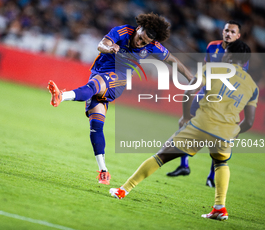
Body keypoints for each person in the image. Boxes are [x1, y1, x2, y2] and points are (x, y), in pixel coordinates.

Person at [110, 40, 258, 221]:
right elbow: (249, 121)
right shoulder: (252, 86)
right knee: (221, 163)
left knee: (161, 156)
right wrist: (236, 132)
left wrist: (186, 116)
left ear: (228, 55)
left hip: (201, 125)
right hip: (226, 132)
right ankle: (219, 207)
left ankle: (123, 189)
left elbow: (189, 91)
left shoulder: (213, 69)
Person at [48, 12, 193, 185]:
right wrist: (110, 48)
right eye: (140, 38)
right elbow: (102, 45)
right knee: (96, 127)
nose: (140, 43)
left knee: (93, 87)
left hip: (118, 80)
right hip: (99, 72)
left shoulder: (153, 47)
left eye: (145, 43)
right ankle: (103, 171)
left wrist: (191, 78)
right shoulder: (122, 32)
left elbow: (173, 60)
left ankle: (61, 96)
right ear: (138, 28)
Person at [166, 20, 249, 189]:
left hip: (225, 101)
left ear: (238, 36)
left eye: (233, 32)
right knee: (184, 123)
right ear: (222, 31)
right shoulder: (213, 46)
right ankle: (184, 165)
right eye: (227, 30)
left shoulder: (242, 52)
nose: (228, 34)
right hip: (205, 93)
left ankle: (211, 177)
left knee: (218, 140)